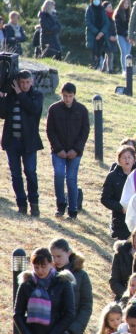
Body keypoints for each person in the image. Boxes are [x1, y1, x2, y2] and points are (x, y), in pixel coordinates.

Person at [0, 70, 43, 216]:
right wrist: (2, 98)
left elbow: (33, 108)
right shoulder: (12, 95)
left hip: (29, 142)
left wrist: (19, 93)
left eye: (27, 82)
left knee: (30, 172)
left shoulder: (36, 95)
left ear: (32, 82)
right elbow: (3, 114)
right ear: (17, 82)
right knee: (16, 174)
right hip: (12, 141)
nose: (24, 85)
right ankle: (22, 205)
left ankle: (34, 204)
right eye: (21, 82)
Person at [46, 82, 89, 219]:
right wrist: (58, 149)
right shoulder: (54, 109)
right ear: (61, 94)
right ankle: (60, 204)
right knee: (59, 175)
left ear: (74, 95)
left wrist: (76, 150)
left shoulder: (82, 110)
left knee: (71, 179)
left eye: (70, 96)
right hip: (58, 151)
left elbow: (85, 131)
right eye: (65, 96)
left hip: (74, 152)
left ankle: (73, 209)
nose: (67, 99)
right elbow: (50, 130)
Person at [14, 248, 76, 334]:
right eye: (36, 267)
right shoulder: (27, 283)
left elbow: (69, 314)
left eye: (43, 267)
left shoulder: (62, 282)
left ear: (51, 263)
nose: (40, 271)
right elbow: (18, 314)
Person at [49, 238, 93, 334]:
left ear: (68, 253)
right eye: (53, 256)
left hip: (71, 328)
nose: (55, 260)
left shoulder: (81, 275)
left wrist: (73, 330)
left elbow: (86, 306)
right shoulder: (48, 274)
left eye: (59, 256)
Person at [102, 145, 136, 239]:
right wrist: (121, 208)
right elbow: (105, 198)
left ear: (134, 159)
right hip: (120, 220)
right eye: (124, 157)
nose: (127, 160)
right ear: (119, 160)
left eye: (129, 157)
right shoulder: (112, 176)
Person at [109, 224, 136, 300]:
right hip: (124, 296)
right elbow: (114, 282)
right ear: (133, 239)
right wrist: (128, 295)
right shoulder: (121, 253)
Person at [85, 0, 109, 69]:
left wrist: (102, 32)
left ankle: (99, 66)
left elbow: (106, 22)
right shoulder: (89, 9)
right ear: (92, 0)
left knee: (100, 51)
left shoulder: (102, 9)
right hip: (93, 34)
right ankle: (95, 66)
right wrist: (96, 32)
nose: (97, 0)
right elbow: (88, 22)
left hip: (102, 34)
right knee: (94, 51)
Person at [114, 0, 132, 75]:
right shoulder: (118, 13)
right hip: (121, 35)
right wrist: (125, 35)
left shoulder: (130, 13)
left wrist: (130, 34)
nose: (126, 5)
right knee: (124, 51)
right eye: (125, 3)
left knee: (128, 53)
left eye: (128, 3)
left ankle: (128, 69)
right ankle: (124, 70)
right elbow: (118, 26)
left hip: (129, 34)